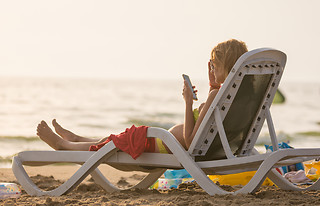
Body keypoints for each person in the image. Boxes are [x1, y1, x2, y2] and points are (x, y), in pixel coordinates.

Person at [37, 39, 248, 155]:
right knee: (113, 140)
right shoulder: (236, 98)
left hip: (164, 146)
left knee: (113, 143)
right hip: (166, 143)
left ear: (227, 68)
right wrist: (212, 85)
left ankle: (63, 146)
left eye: (216, 66)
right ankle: (76, 139)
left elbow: (192, 140)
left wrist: (188, 103)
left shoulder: (215, 96)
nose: (212, 69)